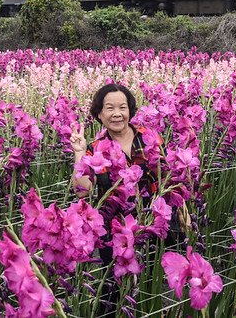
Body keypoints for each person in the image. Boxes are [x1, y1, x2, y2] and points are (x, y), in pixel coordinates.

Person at [70, 83, 186, 315]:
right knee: (113, 292)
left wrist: (183, 213)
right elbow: (83, 189)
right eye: (109, 108)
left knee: (151, 287)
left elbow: (170, 178)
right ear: (99, 114)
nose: (116, 114)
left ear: (130, 110)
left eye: (122, 107)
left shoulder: (150, 138)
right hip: (114, 228)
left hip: (153, 222)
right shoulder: (96, 148)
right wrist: (80, 152)